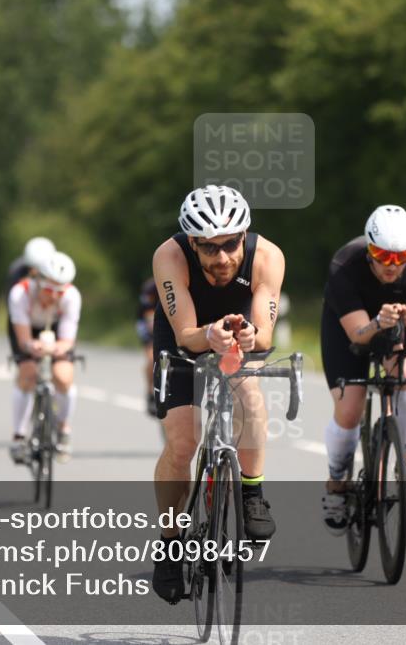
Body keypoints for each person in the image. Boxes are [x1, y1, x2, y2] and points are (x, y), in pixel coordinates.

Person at [150, 184, 286, 604]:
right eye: (209, 248)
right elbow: (187, 335)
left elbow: (265, 330)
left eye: (231, 244)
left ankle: (252, 494)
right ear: (193, 243)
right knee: (183, 441)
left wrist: (248, 335)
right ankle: (171, 543)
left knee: (250, 394)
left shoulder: (268, 256)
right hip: (185, 336)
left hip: (240, 334)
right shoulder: (169, 257)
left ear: (244, 236)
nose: (223, 257)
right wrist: (207, 334)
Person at [319, 205, 406, 535]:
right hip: (351, 328)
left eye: (400, 257)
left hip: (395, 330)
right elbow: (357, 334)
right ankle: (337, 481)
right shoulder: (345, 264)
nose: (391, 265)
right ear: (369, 250)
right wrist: (377, 321)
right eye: (381, 255)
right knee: (349, 409)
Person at [7, 250, 81, 464]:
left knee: (64, 377)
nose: (54, 296)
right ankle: (19, 436)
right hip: (27, 330)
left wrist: (58, 348)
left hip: (56, 331)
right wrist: (32, 346)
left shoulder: (71, 296)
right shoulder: (19, 294)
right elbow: (22, 340)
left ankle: (63, 428)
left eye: (60, 290)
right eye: (49, 289)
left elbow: (67, 339)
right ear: (37, 280)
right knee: (28, 374)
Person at [136, 277, 159, 416]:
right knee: (152, 357)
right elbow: (149, 316)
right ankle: (150, 392)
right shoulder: (150, 288)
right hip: (147, 322)